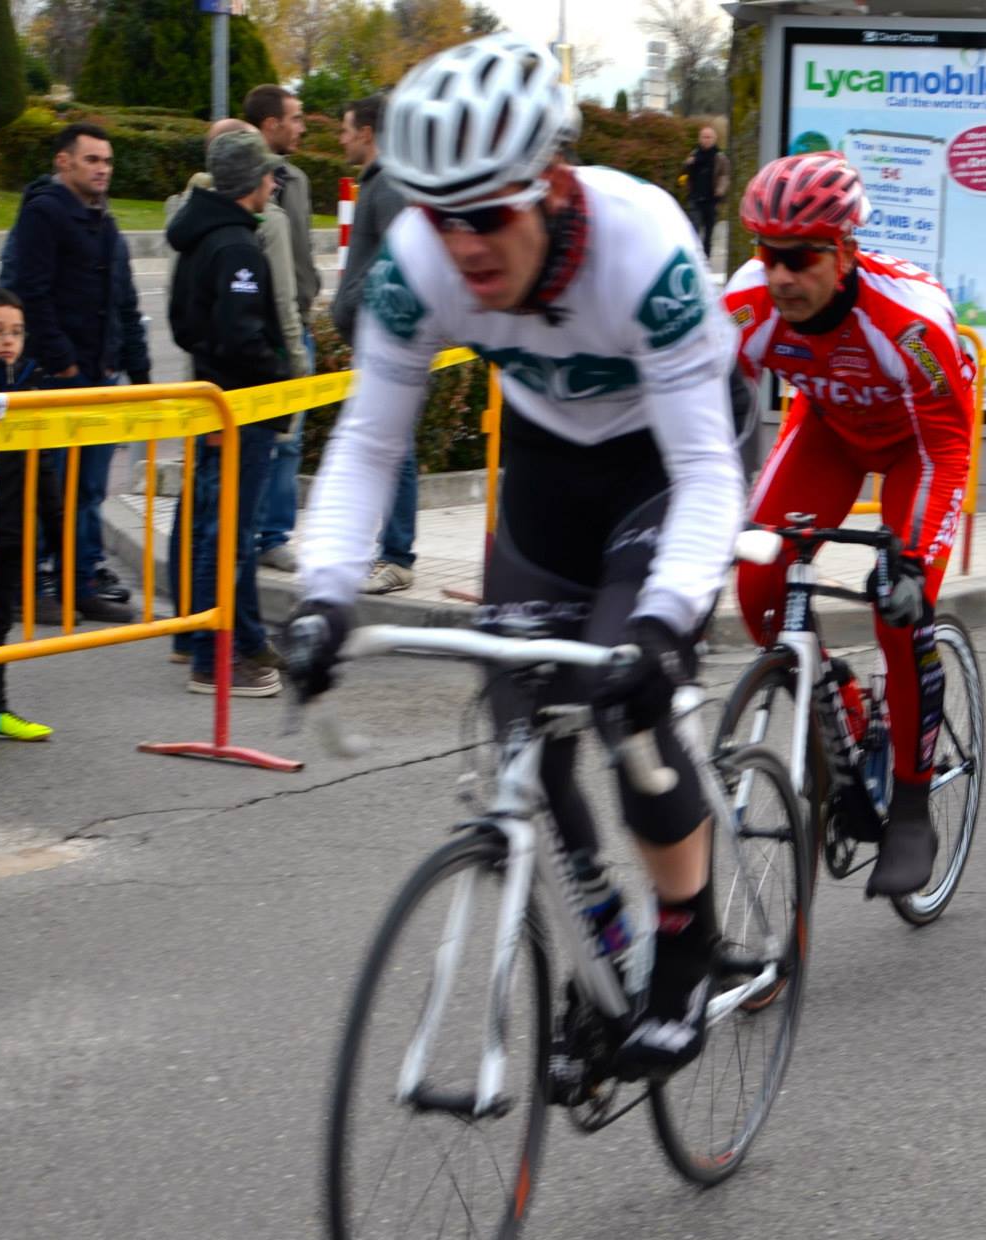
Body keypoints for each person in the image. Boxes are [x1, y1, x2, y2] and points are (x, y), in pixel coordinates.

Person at [285, 34, 745, 1079]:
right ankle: (598, 948)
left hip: (666, 463)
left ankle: (686, 944)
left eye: (488, 214)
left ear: (553, 187)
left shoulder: (644, 246)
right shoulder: (418, 263)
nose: (464, 246)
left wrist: (664, 620)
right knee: (520, 738)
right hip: (549, 465)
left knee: (629, 705)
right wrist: (324, 594)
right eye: (439, 216)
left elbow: (707, 474)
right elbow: (367, 442)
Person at [724, 151, 974, 894]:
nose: (779, 275)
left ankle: (912, 805)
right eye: (767, 254)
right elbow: (711, 423)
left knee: (898, 608)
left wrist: (913, 561)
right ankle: (843, 702)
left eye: (800, 257)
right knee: (757, 587)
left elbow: (947, 444)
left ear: (845, 252)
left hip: (920, 446)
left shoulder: (909, 321)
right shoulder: (747, 306)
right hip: (829, 430)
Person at [0, 122, 150, 626]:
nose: (103, 169)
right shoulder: (44, 214)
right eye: (92, 160)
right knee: (47, 493)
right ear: (63, 162)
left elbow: (125, 302)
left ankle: (79, 583)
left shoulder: (104, 222)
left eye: (107, 161)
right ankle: (32, 585)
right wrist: (63, 361)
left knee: (87, 491)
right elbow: (28, 292)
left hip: (99, 382)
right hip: (56, 382)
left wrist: (139, 372)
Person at [166, 129, 295, 697]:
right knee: (227, 537)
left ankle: (242, 639)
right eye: (267, 174)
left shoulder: (202, 236)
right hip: (241, 409)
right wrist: (279, 378)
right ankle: (212, 659)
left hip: (216, 401)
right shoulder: (236, 245)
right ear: (251, 182)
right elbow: (243, 335)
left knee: (219, 531)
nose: (274, 183)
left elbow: (183, 323)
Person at [329, 92, 420, 595]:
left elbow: (402, 257)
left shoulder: (388, 185)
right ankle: (386, 550)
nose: (341, 139)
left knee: (396, 447)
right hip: (375, 336)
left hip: (386, 339)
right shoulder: (379, 182)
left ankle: (397, 556)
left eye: (346, 130)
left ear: (367, 133)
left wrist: (358, 301)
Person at [243, 84, 320, 573]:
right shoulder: (238, 178)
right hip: (258, 332)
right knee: (254, 441)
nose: (302, 128)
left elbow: (301, 253)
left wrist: (307, 302)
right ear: (270, 124)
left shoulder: (298, 180)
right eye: (295, 118)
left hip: (297, 323)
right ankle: (245, 533)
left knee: (289, 441)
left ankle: (274, 536)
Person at [0, 286, 54, 741]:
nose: (8, 340)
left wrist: (57, 524)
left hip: (8, 527)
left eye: (17, 331)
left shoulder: (30, 382)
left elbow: (42, 461)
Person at [681, 125, 730, 265]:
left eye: (709, 137)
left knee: (709, 232)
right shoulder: (694, 155)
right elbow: (684, 172)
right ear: (699, 139)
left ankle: (706, 259)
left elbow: (725, 175)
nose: (707, 140)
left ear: (714, 139)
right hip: (695, 198)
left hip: (711, 199)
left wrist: (720, 190)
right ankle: (694, 258)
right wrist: (688, 164)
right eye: (704, 137)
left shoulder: (719, 156)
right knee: (694, 229)